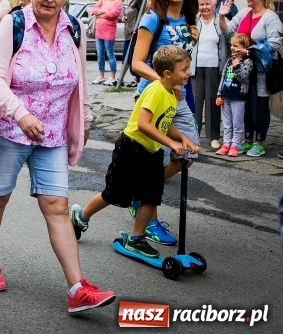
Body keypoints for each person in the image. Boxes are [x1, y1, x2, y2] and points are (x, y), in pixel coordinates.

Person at [0, 0, 115, 313]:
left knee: (58, 206)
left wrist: (84, 120)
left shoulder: (74, 28)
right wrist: (20, 114)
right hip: (11, 129)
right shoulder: (14, 24)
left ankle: (77, 288)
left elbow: (80, 81)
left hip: (53, 135)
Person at [71, 46, 199, 258]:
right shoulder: (156, 91)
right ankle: (81, 216)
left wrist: (182, 138)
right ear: (168, 73)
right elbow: (143, 124)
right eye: (184, 69)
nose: (189, 72)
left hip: (152, 151)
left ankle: (136, 238)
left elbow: (163, 122)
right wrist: (171, 143)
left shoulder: (171, 92)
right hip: (132, 149)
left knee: (151, 196)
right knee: (114, 194)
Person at [130, 0, 201, 246]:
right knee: (154, 159)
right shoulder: (152, 19)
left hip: (178, 97)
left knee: (188, 154)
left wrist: (193, 41)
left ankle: (141, 193)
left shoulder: (189, 19)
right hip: (154, 96)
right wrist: (164, 81)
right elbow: (137, 63)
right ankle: (149, 219)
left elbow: (179, 62)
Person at [218, 0, 283, 157]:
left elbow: (275, 43)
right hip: (243, 66)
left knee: (260, 104)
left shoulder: (271, 18)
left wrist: (248, 52)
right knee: (245, 103)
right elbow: (227, 31)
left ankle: (259, 142)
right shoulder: (244, 13)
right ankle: (247, 140)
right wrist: (222, 16)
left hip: (261, 68)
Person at [191, 0, 227, 150]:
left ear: (214, 5)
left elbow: (230, 36)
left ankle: (214, 137)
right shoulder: (193, 21)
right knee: (195, 103)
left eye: (207, 4)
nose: (204, 7)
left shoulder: (220, 20)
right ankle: (193, 136)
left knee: (213, 102)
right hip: (195, 68)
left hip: (215, 67)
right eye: (201, 4)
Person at [215, 34, 253, 157]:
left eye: (236, 46)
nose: (232, 48)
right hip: (226, 96)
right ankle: (226, 144)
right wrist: (219, 94)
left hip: (238, 98)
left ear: (244, 47)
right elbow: (223, 79)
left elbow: (243, 78)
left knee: (237, 124)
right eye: (231, 45)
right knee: (226, 123)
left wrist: (236, 67)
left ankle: (235, 145)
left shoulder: (247, 62)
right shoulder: (228, 61)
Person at [92, 0, 123, 86]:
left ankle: (112, 77)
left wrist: (101, 14)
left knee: (110, 54)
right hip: (99, 30)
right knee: (100, 54)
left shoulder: (118, 2)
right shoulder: (102, 0)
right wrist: (105, 11)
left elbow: (113, 14)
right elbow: (93, 10)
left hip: (109, 31)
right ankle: (101, 75)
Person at [120, 0, 146, 87]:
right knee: (126, 56)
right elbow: (128, 14)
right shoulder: (131, 3)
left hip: (135, 33)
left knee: (133, 56)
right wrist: (124, 18)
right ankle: (122, 79)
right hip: (128, 32)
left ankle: (136, 79)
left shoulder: (141, 1)